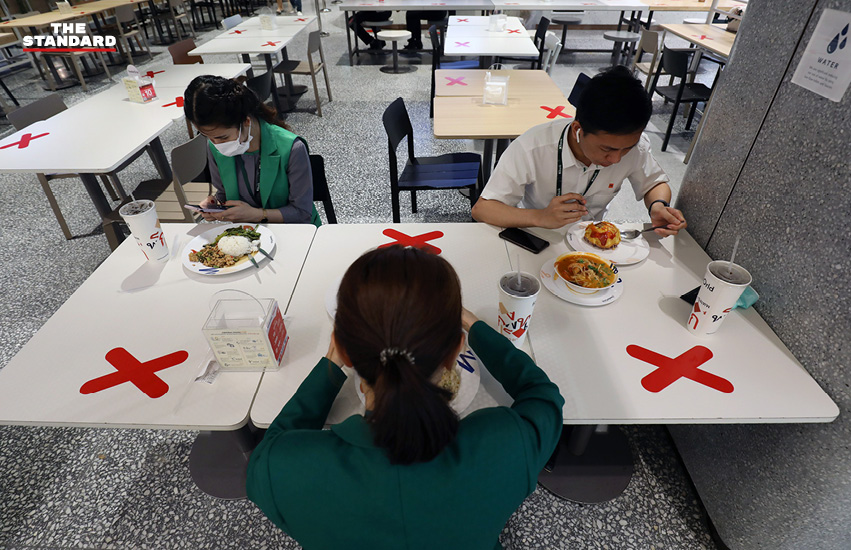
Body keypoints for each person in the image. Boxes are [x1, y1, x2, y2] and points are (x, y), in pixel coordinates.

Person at [247, 245, 564, 549]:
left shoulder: (282, 469)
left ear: (344, 350)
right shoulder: (509, 443)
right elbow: (543, 396)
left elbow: (271, 446)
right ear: (455, 350)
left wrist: (329, 366)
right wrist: (473, 324)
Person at [471, 66, 687, 237]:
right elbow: (483, 209)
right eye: (607, 149)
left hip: (593, 238)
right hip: (536, 234)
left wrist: (658, 206)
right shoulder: (532, 147)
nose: (616, 159)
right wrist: (541, 217)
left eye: (626, 149)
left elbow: (654, 183)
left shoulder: (634, 147)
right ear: (578, 130)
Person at [183, 75, 320, 226]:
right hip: (248, 230)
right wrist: (215, 204)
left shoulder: (291, 148)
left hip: (293, 229)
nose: (216, 144)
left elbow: (302, 213)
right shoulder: (215, 147)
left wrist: (257, 215)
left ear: (246, 122)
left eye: (223, 137)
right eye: (208, 137)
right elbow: (225, 193)